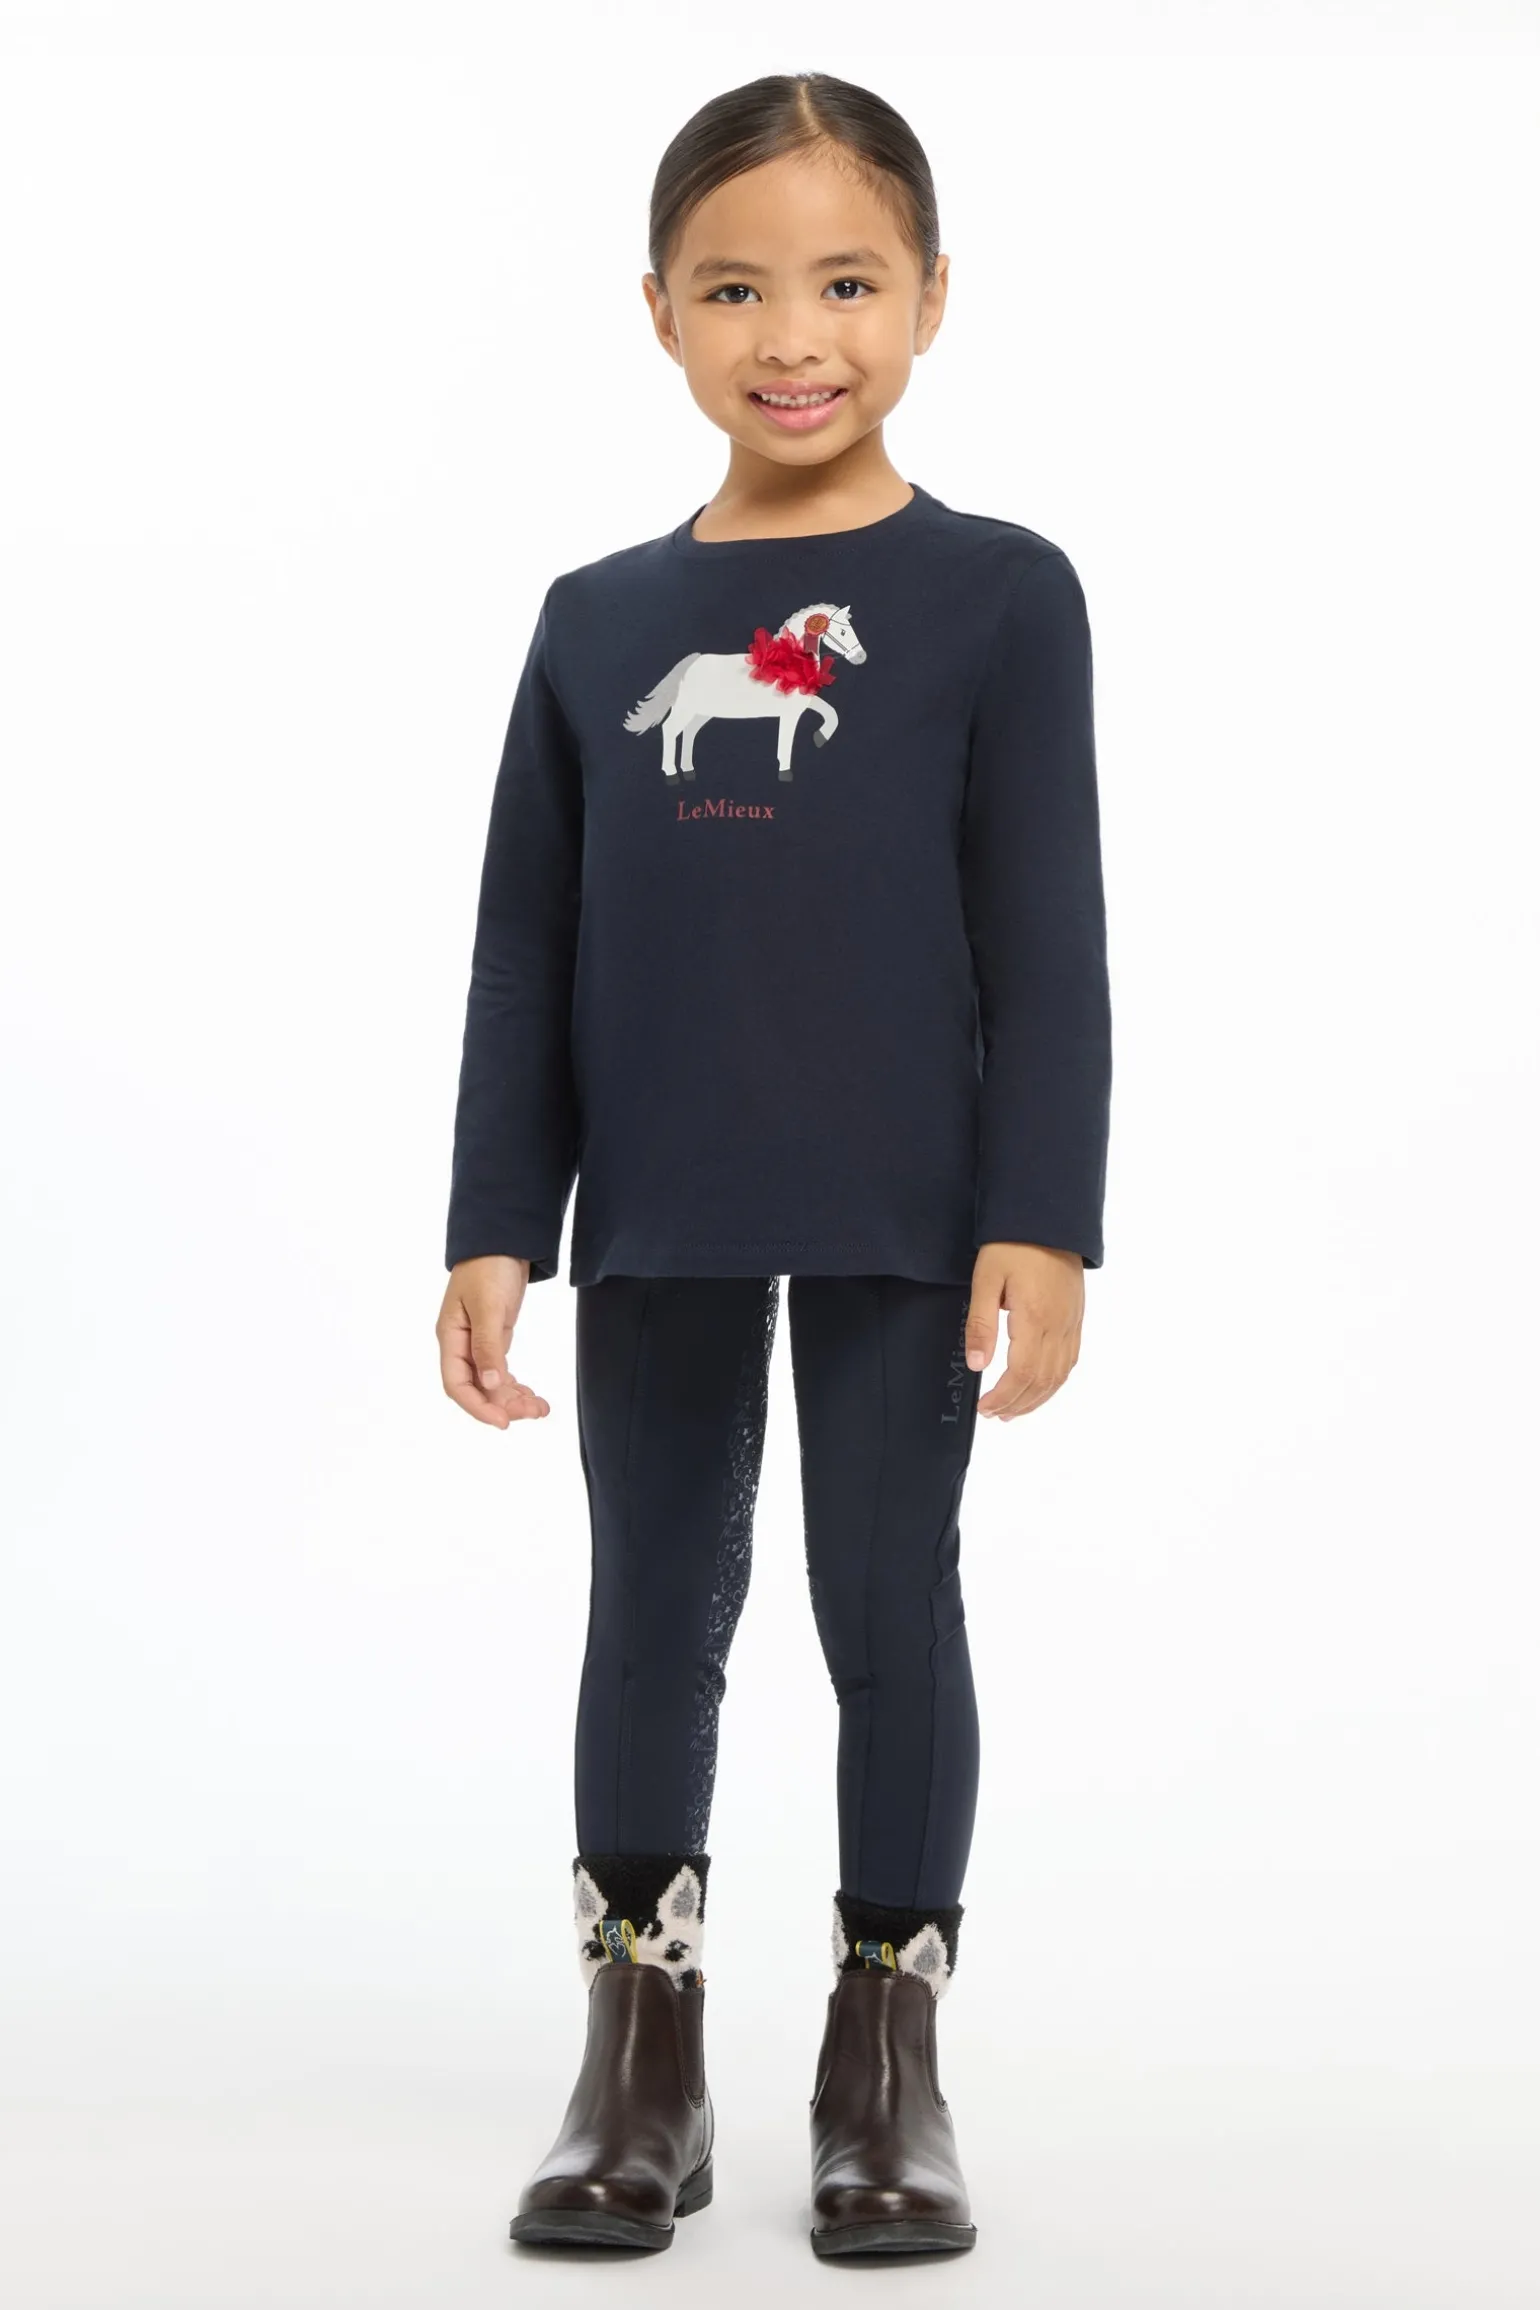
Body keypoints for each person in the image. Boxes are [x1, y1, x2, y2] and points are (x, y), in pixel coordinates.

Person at [435, 69, 1111, 2260]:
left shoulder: (1000, 596)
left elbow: (1046, 933)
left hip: (912, 1207)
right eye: (734, 289)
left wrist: (1043, 1214)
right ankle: (638, 2055)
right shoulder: (595, 619)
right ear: (658, 312)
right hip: (655, 1206)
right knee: (655, 1605)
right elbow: (527, 941)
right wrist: (493, 1220)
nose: (792, 335)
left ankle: (882, 2062)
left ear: (930, 297)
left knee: (886, 1606)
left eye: (843, 282)